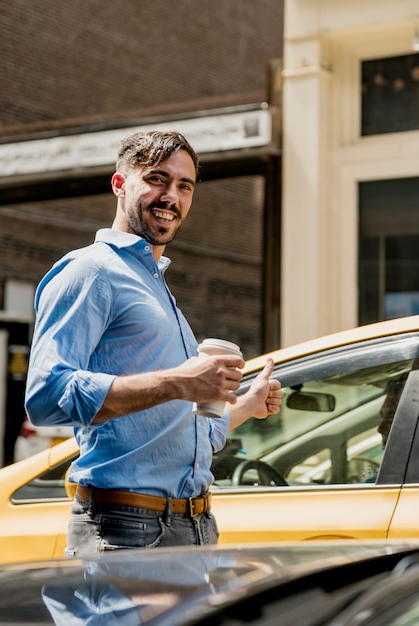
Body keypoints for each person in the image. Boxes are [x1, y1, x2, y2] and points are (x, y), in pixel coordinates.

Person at [25, 130, 283, 557]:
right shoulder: (90, 272)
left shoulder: (156, 286)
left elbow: (182, 430)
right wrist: (179, 382)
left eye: (184, 186)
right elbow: (46, 396)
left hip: (194, 526)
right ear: (120, 185)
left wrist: (248, 405)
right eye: (157, 180)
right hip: (125, 527)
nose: (172, 197)